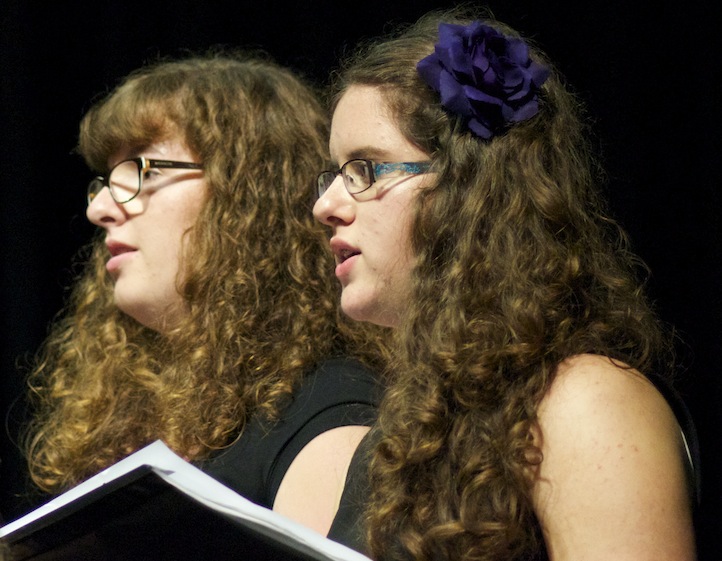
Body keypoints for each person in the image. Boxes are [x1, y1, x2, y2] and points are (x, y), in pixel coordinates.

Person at [313, 7, 698, 560]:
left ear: (468, 189)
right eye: (334, 173)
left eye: (364, 170)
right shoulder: (410, 426)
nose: (325, 205)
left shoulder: (584, 401)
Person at [21, 51, 387, 537]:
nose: (101, 208)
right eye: (105, 181)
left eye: (144, 170)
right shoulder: (134, 412)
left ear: (249, 191)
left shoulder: (327, 416)